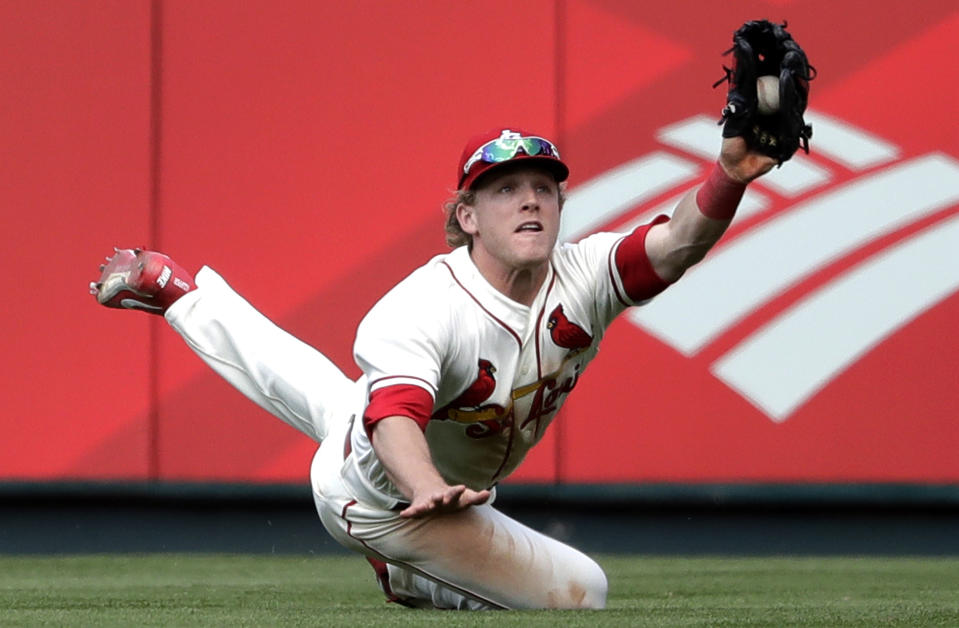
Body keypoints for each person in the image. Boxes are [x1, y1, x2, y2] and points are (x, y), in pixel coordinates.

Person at [90, 127, 776, 609]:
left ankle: (181, 292)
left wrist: (730, 175)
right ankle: (407, 575)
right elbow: (393, 416)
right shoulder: (424, 306)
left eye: (543, 186)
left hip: (409, 454)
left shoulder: (584, 272)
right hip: (382, 499)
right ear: (466, 216)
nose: (530, 198)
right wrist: (425, 489)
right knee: (580, 594)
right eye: (504, 189)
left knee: (331, 400)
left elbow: (679, 242)